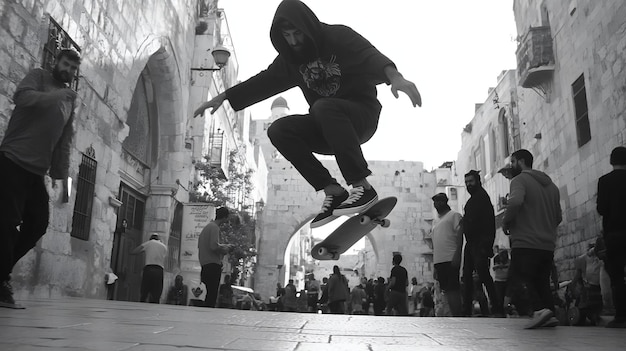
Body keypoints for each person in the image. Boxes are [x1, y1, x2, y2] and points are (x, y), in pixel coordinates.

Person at [194, 0, 421, 229]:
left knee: (323, 106)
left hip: (361, 117)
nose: (293, 41)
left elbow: (370, 55)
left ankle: (363, 187)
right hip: (328, 128)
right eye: (287, 36)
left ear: (307, 27)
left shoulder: (338, 37)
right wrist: (224, 96)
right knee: (279, 130)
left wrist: (395, 77)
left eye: (297, 34)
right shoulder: (290, 60)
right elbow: (265, 81)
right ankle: (334, 192)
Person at [0, 49, 80, 309]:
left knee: (38, 224)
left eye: (72, 68)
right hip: (12, 160)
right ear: (55, 63)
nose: (67, 70)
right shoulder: (38, 77)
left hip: (36, 172)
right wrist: (55, 96)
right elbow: (21, 98)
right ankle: (2, 283)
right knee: (8, 223)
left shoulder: (70, 100)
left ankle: (1, 274)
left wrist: (63, 182)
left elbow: (64, 144)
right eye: (65, 64)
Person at [502, 149, 562, 329]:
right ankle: (548, 313)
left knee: (519, 277)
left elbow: (515, 202)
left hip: (526, 242)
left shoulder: (519, 180)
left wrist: (506, 222)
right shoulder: (552, 187)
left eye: (512, 162)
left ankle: (537, 310)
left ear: (521, 162)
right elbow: (558, 217)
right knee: (541, 281)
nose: (510, 166)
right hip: (547, 244)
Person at [461, 170, 502, 316]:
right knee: (468, 276)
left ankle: (496, 307)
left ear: (477, 181)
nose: (468, 185)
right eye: (466, 182)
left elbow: (488, 223)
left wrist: (486, 245)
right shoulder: (474, 199)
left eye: (471, 181)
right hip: (472, 243)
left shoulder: (481, 198)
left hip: (479, 243)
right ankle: (466, 309)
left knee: (483, 275)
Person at [596, 146, 626, 328]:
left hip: (614, 234)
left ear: (611, 161)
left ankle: (621, 316)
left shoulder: (605, 181)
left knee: (616, 277)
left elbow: (601, 209)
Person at [431, 193, 463, 316]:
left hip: (450, 257)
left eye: (439, 201)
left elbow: (460, 235)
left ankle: (457, 316)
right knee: (445, 289)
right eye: (435, 202)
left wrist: (458, 254)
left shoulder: (454, 215)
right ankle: (450, 315)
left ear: (445, 201)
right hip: (439, 260)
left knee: (453, 289)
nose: (437, 204)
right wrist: (434, 264)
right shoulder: (436, 221)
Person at [198, 207, 232, 307]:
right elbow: (213, 246)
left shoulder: (208, 227)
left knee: (207, 294)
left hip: (205, 263)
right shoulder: (214, 228)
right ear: (225, 217)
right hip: (212, 264)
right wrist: (225, 248)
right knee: (211, 295)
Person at [131, 233, 168, 303]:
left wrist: (130, 252)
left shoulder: (149, 243)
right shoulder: (164, 247)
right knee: (157, 292)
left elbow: (136, 251)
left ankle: (142, 305)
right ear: (158, 239)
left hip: (149, 269)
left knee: (144, 291)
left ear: (151, 238)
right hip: (159, 270)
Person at [492, 246, 509, 316]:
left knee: (506, 298)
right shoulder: (496, 259)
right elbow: (494, 267)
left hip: (506, 281)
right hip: (498, 281)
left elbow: (509, 266)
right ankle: (499, 312)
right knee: (499, 298)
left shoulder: (509, 261)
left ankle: (505, 311)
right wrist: (500, 266)